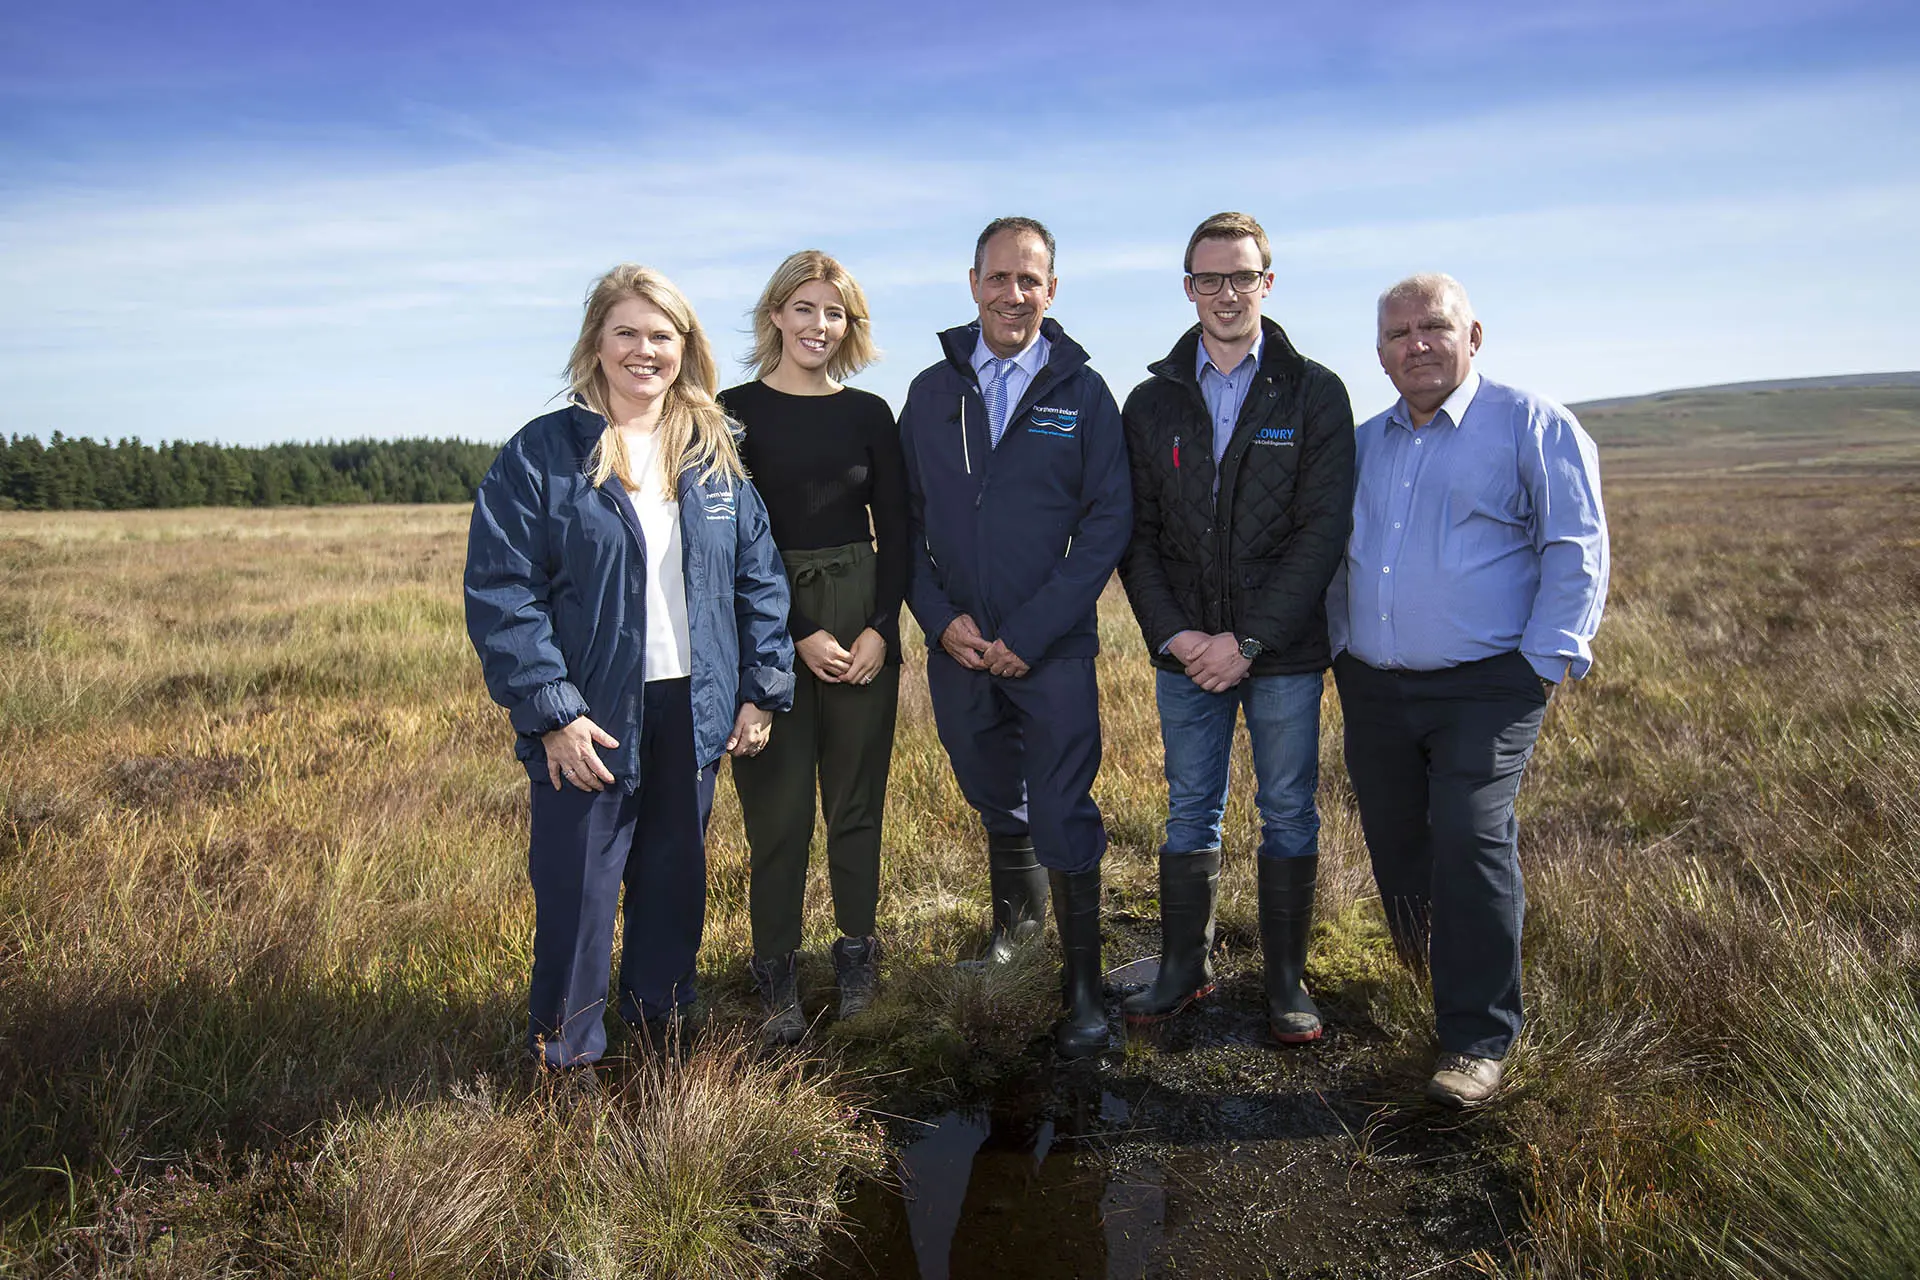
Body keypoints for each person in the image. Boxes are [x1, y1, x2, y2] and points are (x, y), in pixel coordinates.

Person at [464, 263, 794, 1070]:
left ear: (685, 347)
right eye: (627, 333)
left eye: (662, 335)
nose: (644, 350)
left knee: (675, 884)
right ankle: (568, 1052)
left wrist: (763, 689)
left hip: (696, 705)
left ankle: (661, 1034)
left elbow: (760, 577)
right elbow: (504, 590)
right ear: (597, 343)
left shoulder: (714, 456)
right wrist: (552, 710)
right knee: (578, 896)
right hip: (592, 714)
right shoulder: (542, 456)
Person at [1328, 272, 1608, 1107]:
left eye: (1434, 328)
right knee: (1395, 839)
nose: (1417, 344)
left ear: (1473, 335)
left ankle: (1478, 1040)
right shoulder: (1361, 442)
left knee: (1469, 834)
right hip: (1372, 684)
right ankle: (1429, 975)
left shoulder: (1533, 424)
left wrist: (1543, 661)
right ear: (1379, 355)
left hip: (1489, 685)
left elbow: (1576, 546)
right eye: (1398, 334)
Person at [1116, 212, 1355, 1044]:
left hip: (1281, 654)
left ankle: (1286, 981)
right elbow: (1134, 533)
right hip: (1185, 654)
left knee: (1288, 808)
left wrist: (1247, 640)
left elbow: (1321, 532)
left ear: (1268, 282)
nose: (1226, 293)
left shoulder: (1314, 392)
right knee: (1190, 811)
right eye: (1209, 279)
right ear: (1188, 288)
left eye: (1241, 277)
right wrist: (1178, 637)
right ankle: (1185, 968)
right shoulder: (1149, 403)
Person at [898, 216, 1133, 1059]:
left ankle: (1082, 992)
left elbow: (1109, 523)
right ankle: (1016, 935)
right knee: (991, 784)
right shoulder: (930, 393)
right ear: (973, 284)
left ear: (1052, 291)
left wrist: (1033, 631)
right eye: (999, 278)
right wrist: (938, 618)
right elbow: (906, 524)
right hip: (959, 647)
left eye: (1030, 280)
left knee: (1065, 804)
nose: (1013, 294)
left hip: (1052, 648)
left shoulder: (1082, 394)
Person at [718, 250, 906, 1044]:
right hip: (767, 620)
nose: (818, 326)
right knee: (781, 814)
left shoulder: (870, 414)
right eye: (804, 309)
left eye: (834, 313)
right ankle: (775, 975)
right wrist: (797, 633)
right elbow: (727, 541)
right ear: (775, 317)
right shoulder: (729, 412)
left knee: (857, 804)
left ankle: (858, 960)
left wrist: (880, 630)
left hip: (861, 611)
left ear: (849, 326)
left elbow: (898, 530)